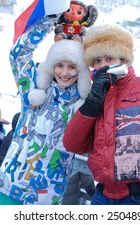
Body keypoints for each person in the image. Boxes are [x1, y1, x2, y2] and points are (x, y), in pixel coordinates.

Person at [63, 24, 140, 205]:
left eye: (109, 58)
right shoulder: (97, 98)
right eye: (97, 61)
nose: (103, 66)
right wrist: (92, 103)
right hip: (104, 196)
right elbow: (72, 144)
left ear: (124, 60)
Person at [0, 15, 91, 205]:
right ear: (51, 65)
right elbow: (18, 55)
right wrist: (47, 21)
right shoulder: (32, 90)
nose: (64, 73)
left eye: (72, 67)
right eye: (59, 65)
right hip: (9, 184)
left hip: (47, 197)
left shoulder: (84, 104)